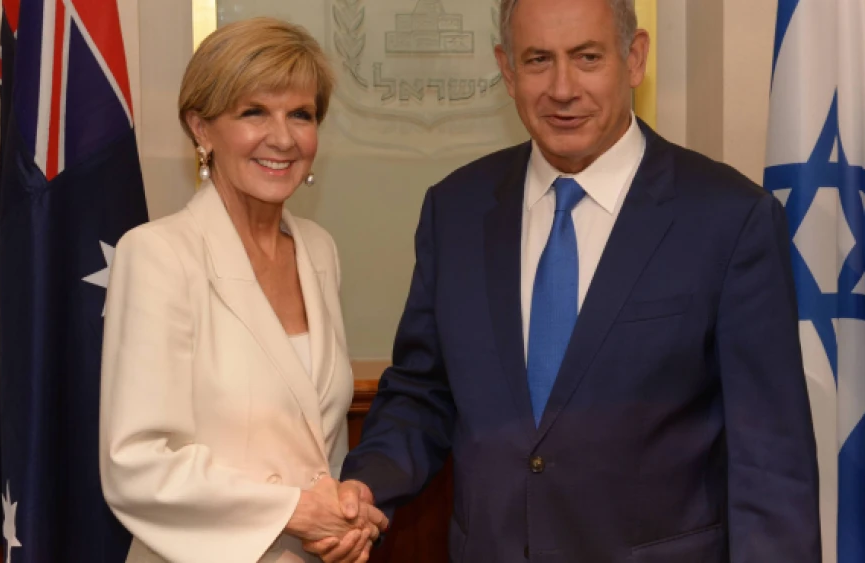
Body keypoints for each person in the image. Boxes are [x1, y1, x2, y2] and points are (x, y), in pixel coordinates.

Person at [311, 0, 822, 561]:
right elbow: (423, 392)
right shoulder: (455, 209)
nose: (562, 88)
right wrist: (367, 485)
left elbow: (771, 460)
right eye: (538, 60)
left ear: (634, 59)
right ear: (507, 70)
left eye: (586, 57)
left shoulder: (729, 218)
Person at [99, 17, 386, 563]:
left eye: (300, 115)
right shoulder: (159, 254)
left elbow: (315, 438)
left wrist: (345, 512)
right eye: (254, 112)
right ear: (202, 129)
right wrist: (295, 511)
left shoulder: (319, 250)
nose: (282, 137)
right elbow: (135, 464)